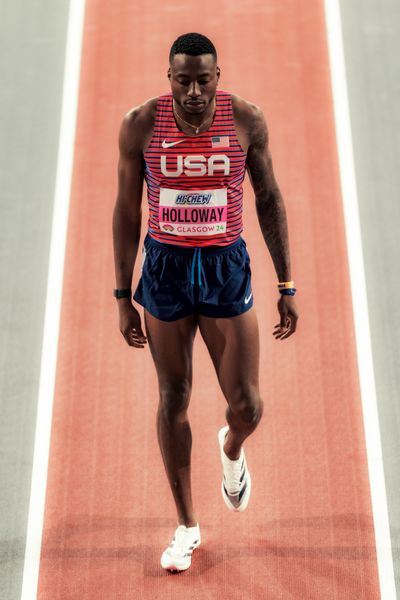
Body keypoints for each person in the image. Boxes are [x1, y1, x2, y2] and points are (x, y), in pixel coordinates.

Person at [112, 32, 298, 572]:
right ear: (168, 78)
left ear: (219, 75)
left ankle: (232, 449)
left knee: (248, 406)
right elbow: (127, 212)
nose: (193, 91)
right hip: (166, 271)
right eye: (183, 80)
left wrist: (287, 283)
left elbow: (269, 198)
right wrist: (123, 294)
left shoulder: (245, 121)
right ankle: (187, 526)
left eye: (203, 79)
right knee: (173, 397)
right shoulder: (141, 125)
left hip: (224, 268)